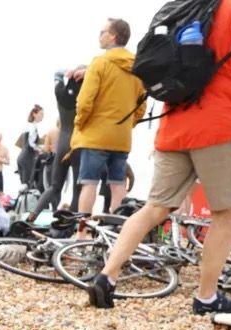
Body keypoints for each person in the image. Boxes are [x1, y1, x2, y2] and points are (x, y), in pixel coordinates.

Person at [89, 0, 231, 313]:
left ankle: (107, 277)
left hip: (174, 125)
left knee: (155, 207)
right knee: (224, 214)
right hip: (219, 127)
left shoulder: (178, 10)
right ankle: (207, 298)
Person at [71, 18, 146, 229]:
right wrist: (127, 125)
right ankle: (118, 231)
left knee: (89, 183)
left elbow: (85, 101)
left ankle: (81, 233)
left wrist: (80, 123)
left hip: (95, 134)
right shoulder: (137, 66)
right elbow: (141, 105)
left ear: (113, 36)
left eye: (103, 31)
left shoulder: (100, 63)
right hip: (121, 136)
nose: (100, 35)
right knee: (118, 184)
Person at [30, 68, 85, 222]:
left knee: (54, 187)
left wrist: (69, 72)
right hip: (77, 143)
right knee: (77, 189)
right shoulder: (85, 97)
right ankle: (70, 226)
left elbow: (57, 73)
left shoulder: (60, 93)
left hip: (61, 143)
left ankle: (32, 216)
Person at [16, 105, 44, 189]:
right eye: (41, 114)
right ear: (34, 114)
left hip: (21, 158)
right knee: (28, 186)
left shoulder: (27, 126)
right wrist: (40, 149)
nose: (42, 116)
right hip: (27, 159)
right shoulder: (33, 127)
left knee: (24, 186)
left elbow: (22, 143)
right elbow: (31, 144)